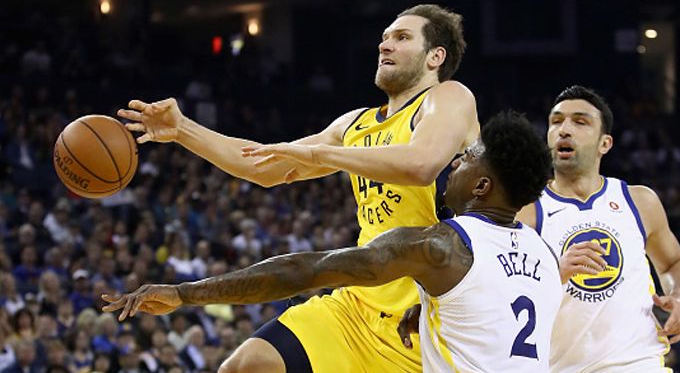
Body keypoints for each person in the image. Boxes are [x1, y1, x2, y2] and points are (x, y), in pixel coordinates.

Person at [117, 4, 480, 372]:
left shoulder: (449, 97)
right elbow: (262, 167)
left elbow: (421, 164)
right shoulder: (354, 124)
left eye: (402, 38)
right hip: (356, 307)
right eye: (384, 38)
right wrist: (183, 130)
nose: (385, 46)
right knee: (247, 365)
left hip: (426, 322)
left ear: (436, 56)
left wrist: (322, 154)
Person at [102, 111, 562, 372]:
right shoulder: (542, 254)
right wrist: (423, 309)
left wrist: (184, 293)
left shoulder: (443, 245)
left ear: (482, 187)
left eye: (464, 161)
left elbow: (307, 270)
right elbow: (499, 317)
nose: (454, 166)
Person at [516, 86, 680, 372]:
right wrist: (554, 274)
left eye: (580, 121)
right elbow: (500, 294)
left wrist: (678, 296)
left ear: (605, 144)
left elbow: (673, 262)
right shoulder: (524, 211)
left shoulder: (639, 201)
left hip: (639, 362)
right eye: (556, 121)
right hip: (561, 365)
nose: (564, 129)